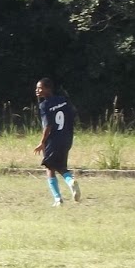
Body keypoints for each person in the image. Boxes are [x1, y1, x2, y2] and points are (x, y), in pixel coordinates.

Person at [32, 78, 80, 206]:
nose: (37, 90)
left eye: (40, 88)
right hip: (67, 138)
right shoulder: (63, 100)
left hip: (53, 141)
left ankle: (58, 199)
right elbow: (72, 115)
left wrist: (42, 142)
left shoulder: (44, 105)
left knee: (49, 168)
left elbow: (48, 126)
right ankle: (70, 181)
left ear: (48, 89)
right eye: (37, 88)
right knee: (60, 166)